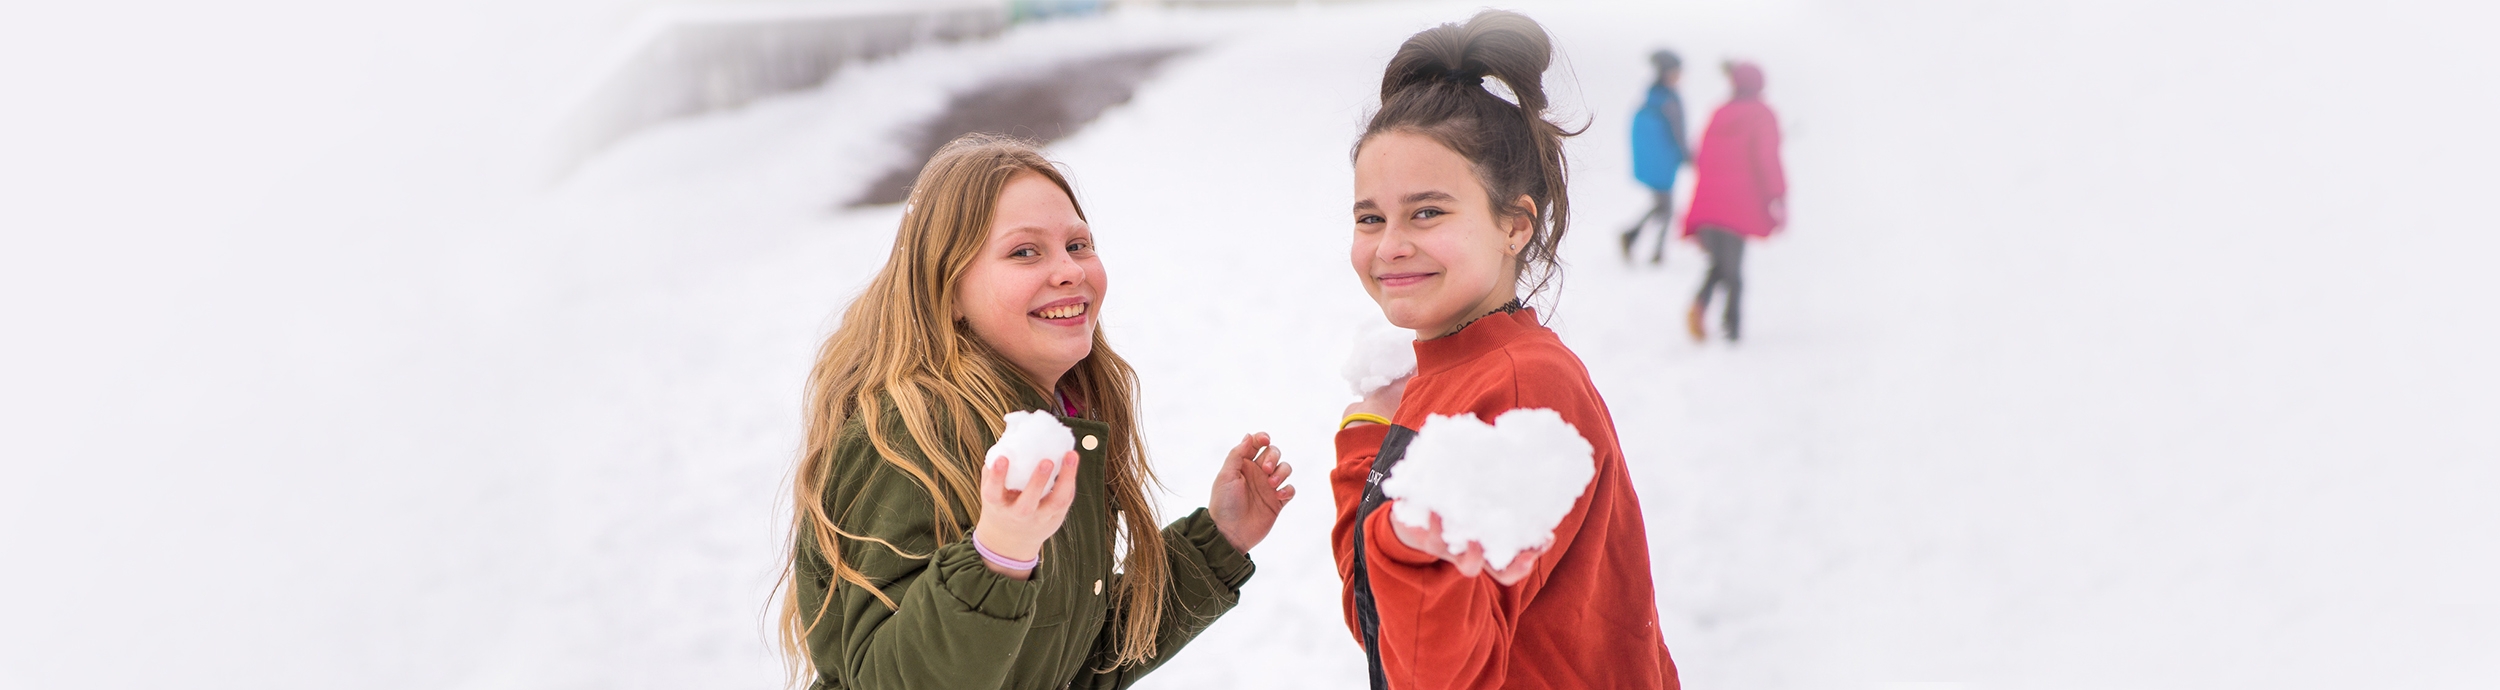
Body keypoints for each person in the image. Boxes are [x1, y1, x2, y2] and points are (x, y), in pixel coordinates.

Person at [776, 134, 1297, 689]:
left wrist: (1218, 542)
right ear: (947, 290)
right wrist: (998, 556)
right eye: (1025, 251)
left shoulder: (1056, 421)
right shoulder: (908, 434)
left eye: (1078, 245)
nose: (1069, 270)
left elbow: (1067, 664)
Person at [1329, 11, 1681, 690]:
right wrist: (1367, 437)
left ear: (1514, 225)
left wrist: (1412, 545)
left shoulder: (1523, 390)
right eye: (1370, 217)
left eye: (1427, 212)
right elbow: (1376, 619)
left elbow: (1440, 676)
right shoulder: (1442, 372)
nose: (1390, 243)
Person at [1681, 60, 1787, 342]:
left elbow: (1699, 155)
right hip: (1738, 205)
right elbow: (1768, 160)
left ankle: (1700, 305)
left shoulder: (1719, 112)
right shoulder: (1762, 115)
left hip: (1707, 202)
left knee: (1720, 264)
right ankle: (1732, 330)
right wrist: (1778, 196)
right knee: (1734, 272)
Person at [1620, 49, 1691, 265]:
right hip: (1665, 163)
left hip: (1654, 163)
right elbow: (1678, 131)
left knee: (1662, 206)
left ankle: (1639, 240)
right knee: (1666, 208)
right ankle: (1651, 249)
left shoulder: (1651, 97)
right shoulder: (1670, 100)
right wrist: (1687, 155)